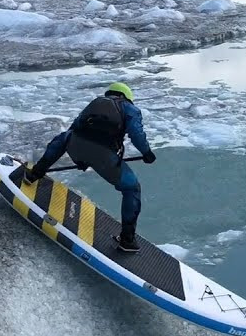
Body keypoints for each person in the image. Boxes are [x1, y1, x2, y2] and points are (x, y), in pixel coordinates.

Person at [25, 82, 156, 253]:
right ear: (126, 97)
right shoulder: (130, 109)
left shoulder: (95, 103)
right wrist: (147, 152)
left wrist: (80, 159)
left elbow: (74, 129)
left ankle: (34, 173)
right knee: (132, 188)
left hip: (75, 145)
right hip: (104, 156)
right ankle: (127, 241)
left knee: (64, 137)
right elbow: (136, 134)